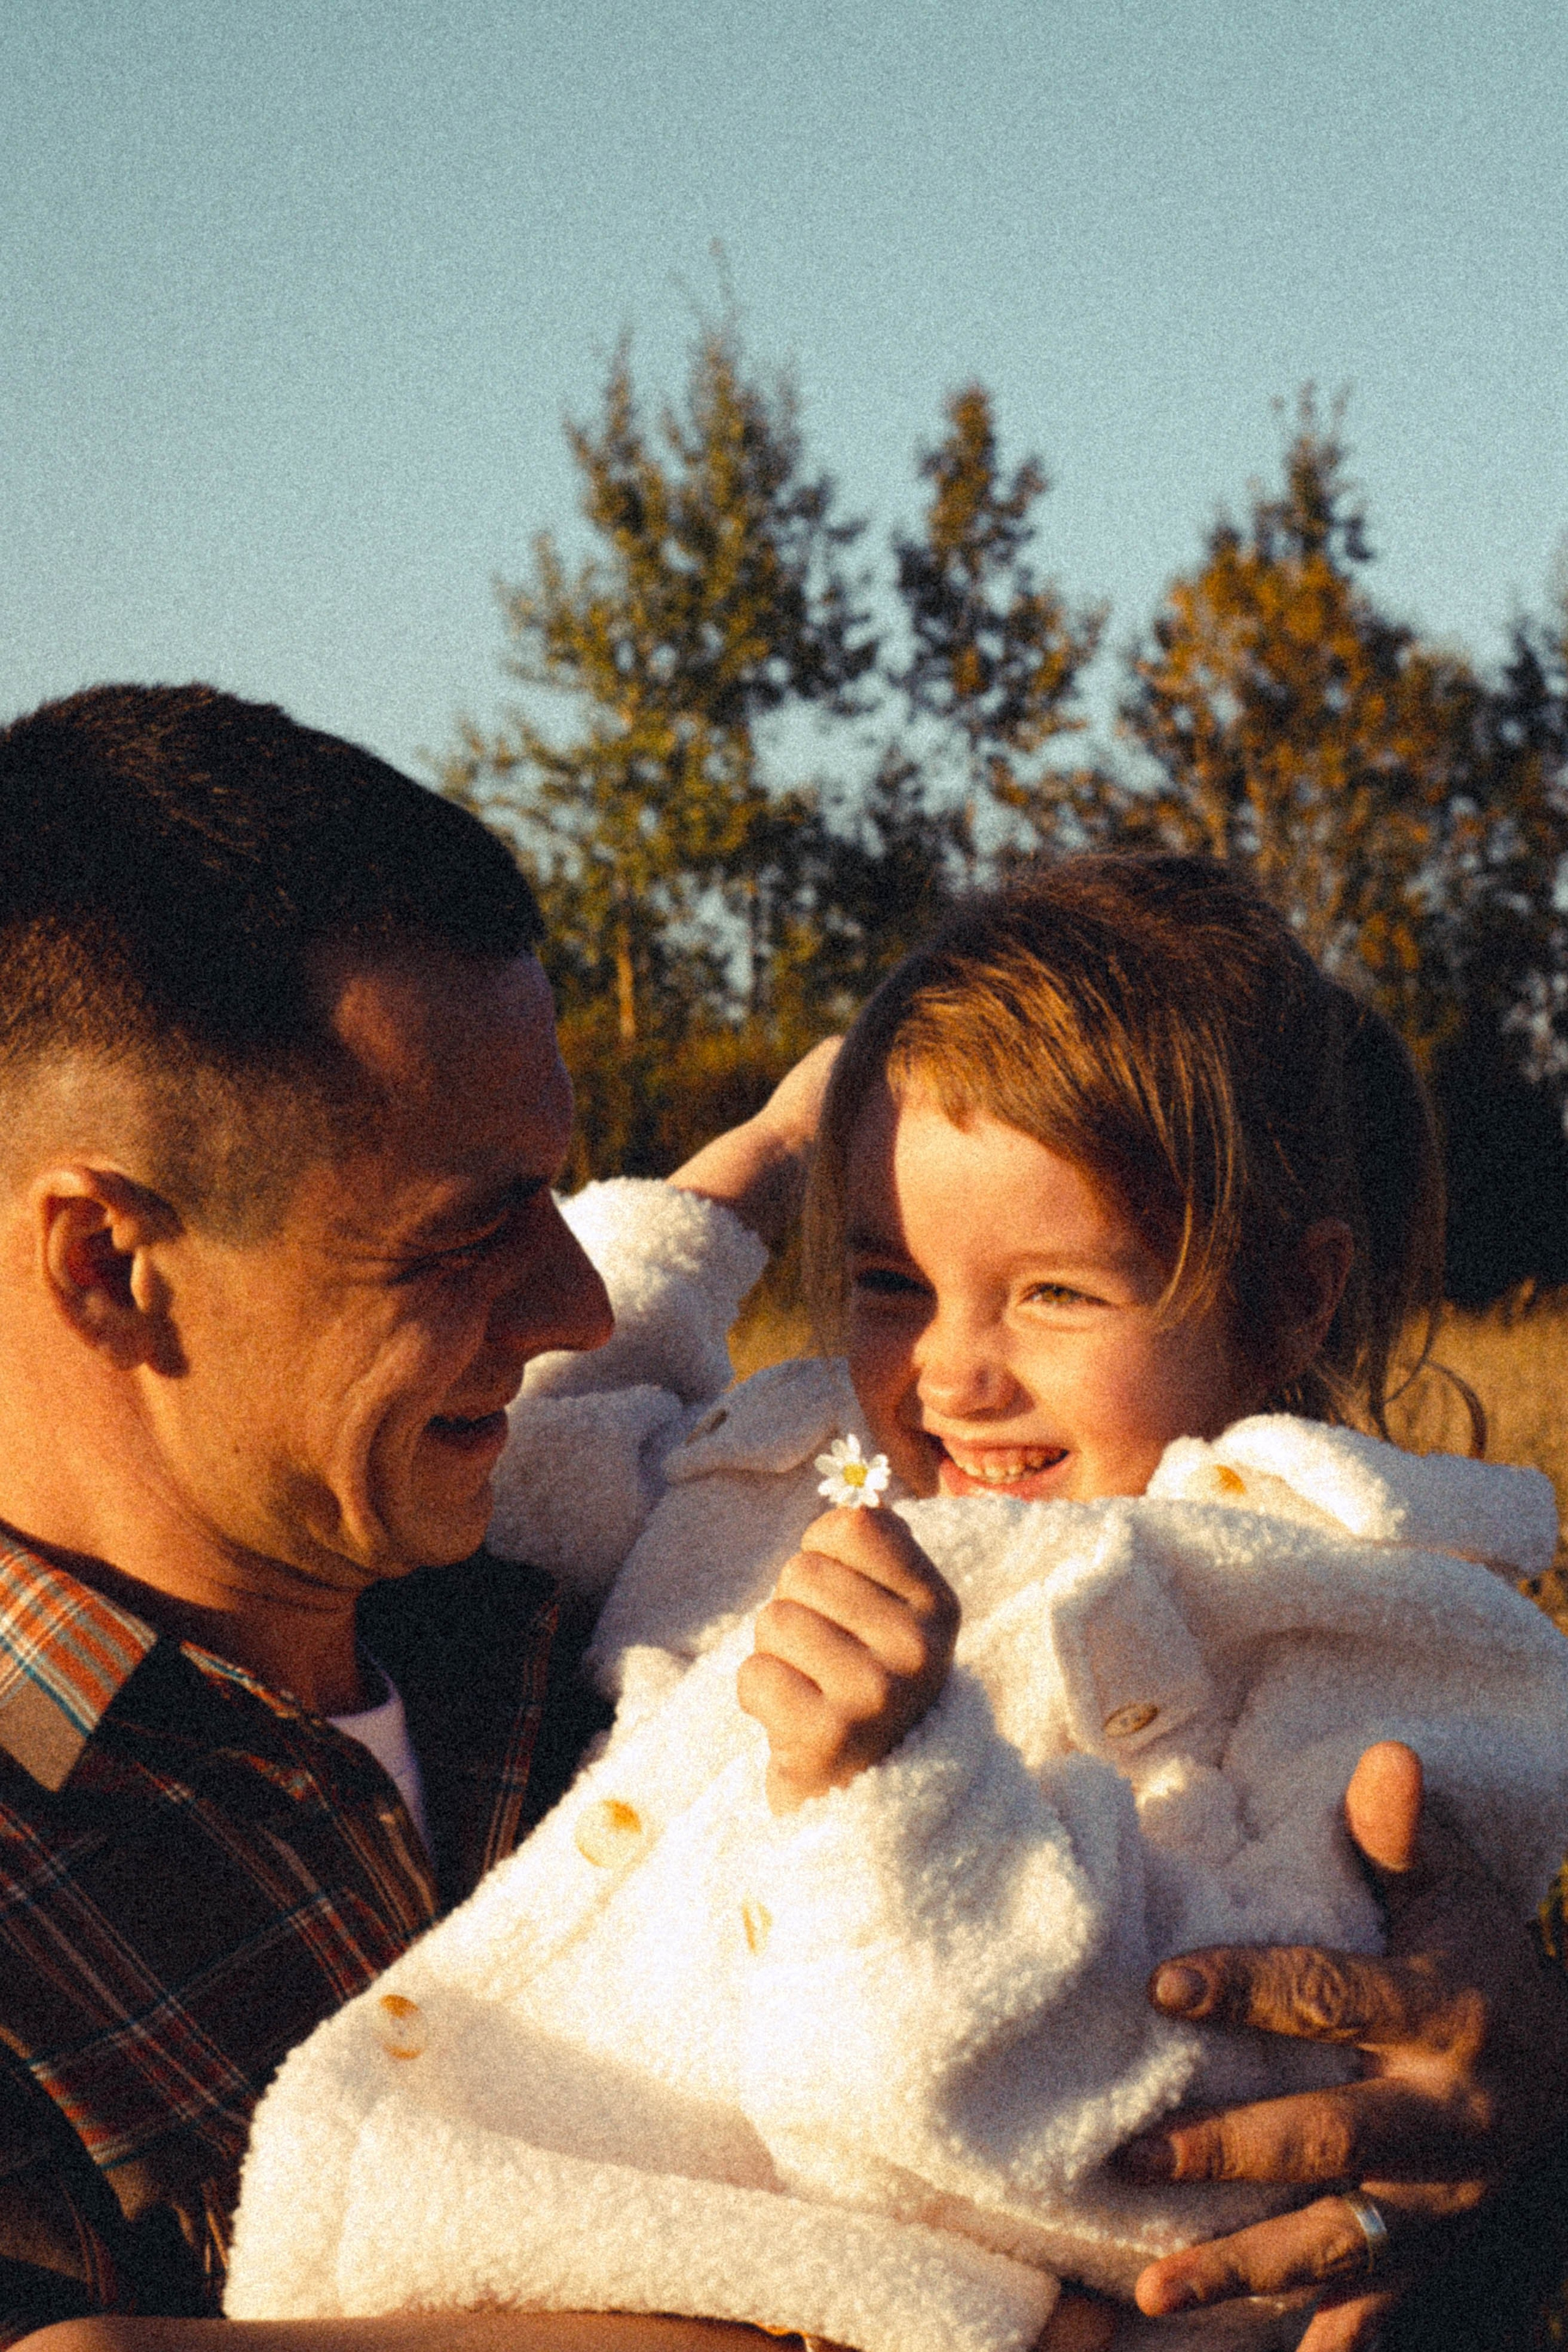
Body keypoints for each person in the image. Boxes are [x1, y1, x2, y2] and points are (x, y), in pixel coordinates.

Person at [0, 691, 1562, 2352]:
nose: (577, 1298)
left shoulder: (561, 1592)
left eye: (564, 1193)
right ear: (108, 1262)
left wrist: (1510, 2113)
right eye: (465, 1233)